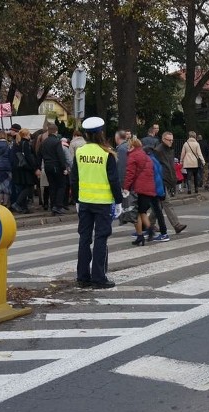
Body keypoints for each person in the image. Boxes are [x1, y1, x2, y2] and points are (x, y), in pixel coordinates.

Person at [70, 116, 123, 289]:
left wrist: (76, 199)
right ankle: (99, 277)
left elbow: (74, 179)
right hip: (103, 202)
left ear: (86, 134)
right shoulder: (107, 154)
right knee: (101, 238)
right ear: (101, 133)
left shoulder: (80, 152)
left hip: (84, 202)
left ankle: (82, 277)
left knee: (84, 239)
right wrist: (119, 201)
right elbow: (114, 181)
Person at [123, 137, 163, 246]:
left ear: (132, 146)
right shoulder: (146, 156)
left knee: (136, 213)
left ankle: (141, 234)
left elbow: (130, 174)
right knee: (142, 211)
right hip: (149, 188)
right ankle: (149, 230)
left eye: (128, 145)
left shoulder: (133, 156)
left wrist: (126, 187)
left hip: (138, 188)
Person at [149, 131, 188, 234]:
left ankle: (149, 224)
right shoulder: (158, 150)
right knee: (167, 202)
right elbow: (156, 166)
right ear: (163, 139)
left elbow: (171, 166)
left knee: (159, 205)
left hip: (168, 179)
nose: (171, 142)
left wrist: (174, 178)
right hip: (161, 180)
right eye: (169, 140)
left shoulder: (170, 150)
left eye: (172, 140)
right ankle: (176, 225)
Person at [37, 123, 68, 215]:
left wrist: (38, 167)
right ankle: (58, 206)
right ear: (56, 131)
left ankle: (53, 205)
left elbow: (39, 156)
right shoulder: (57, 142)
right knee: (61, 186)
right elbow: (60, 156)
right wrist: (64, 167)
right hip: (56, 166)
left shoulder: (44, 142)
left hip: (47, 166)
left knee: (52, 186)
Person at [10, 128, 38, 214]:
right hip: (26, 169)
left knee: (22, 188)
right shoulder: (25, 143)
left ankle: (24, 208)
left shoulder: (16, 143)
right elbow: (29, 157)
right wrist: (35, 167)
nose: (30, 136)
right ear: (25, 135)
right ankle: (17, 204)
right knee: (29, 187)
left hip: (18, 169)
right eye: (29, 134)